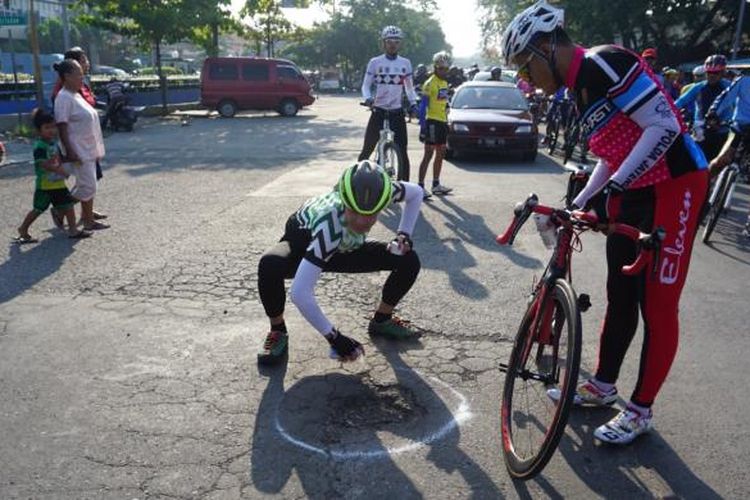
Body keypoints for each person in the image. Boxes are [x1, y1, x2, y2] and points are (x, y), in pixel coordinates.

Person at [503, 0, 709, 445]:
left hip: (676, 184)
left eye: (524, 64)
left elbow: (663, 128)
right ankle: (602, 385)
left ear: (546, 47)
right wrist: (581, 202)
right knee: (620, 293)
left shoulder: (605, 63)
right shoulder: (576, 88)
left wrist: (613, 187)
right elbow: (610, 155)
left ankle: (640, 410)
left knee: (656, 304)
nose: (524, 77)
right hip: (635, 189)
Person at [256, 160, 423, 365]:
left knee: (408, 259)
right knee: (270, 264)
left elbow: (416, 193)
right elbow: (300, 293)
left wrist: (403, 235)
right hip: (304, 246)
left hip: (344, 248)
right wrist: (334, 338)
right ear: (343, 201)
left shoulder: (384, 193)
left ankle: (382, 319)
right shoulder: (330, 224)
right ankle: (278, 330)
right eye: (354, 212)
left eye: (371, 214)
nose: (362, 221)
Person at [14, 109, 91, 243]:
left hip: (58, 184)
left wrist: (72, 159)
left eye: (53, 126)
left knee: (68, 205)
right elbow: (43, 164)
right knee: (38, 209)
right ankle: (23, 229)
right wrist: (59, 171)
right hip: (45, 185)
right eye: (47, 127)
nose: (52, 130)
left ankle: (73, 230)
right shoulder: (40, 146)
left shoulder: (53, 144)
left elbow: (60, 159)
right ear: (39, 130)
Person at [51, 46, 107, 224]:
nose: (81, 78)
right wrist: (69, 151)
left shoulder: (75, 94)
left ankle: (87, 219)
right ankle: (62, 210)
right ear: (67, 76)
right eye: (78, 75)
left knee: (89, 184)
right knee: (87, 185)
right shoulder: (63, 97)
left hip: (87, 148)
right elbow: (61, 125)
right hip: (78, 150)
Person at [359, 26, 418, 180]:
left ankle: (404, 186)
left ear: (400, 44)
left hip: (397, 112)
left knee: (402, 151)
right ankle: (355, 182)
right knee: (367, 150)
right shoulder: (375, 62)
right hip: (378, 110)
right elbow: (365, 85)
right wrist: (368, 99)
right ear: (383, 43)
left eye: (396, 42)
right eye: (389, 41)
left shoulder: (405, 63)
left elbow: (409, 88)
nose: (393, 44)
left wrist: (413, 103)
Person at [705, 75, 750, 236]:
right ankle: (701, 190)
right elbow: (725, 97)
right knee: (721, 161)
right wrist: (713, 114)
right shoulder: (744, 81)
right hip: (739, 128)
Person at [675, 54, 731, 161]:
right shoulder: (698, 87)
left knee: (723, 163)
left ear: (723, 73)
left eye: (716, 72)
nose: (712, 75)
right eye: (709, 72)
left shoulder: (730, 86)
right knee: (696, 162)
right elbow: (680, 102)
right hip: (701, 131)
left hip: (723, 130)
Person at [417, 51, 453, 199]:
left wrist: (447, 119)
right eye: (440, 68)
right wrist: (422, 128)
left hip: (442, 122)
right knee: (428, 154)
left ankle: (436, 184)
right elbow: (422, 107)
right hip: (431, 121)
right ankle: (420, 186)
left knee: (441, 153)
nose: (443, 71)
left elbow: (443, 103)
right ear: (435, 67)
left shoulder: (444, 82)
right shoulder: (429, 83)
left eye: (445, 68)